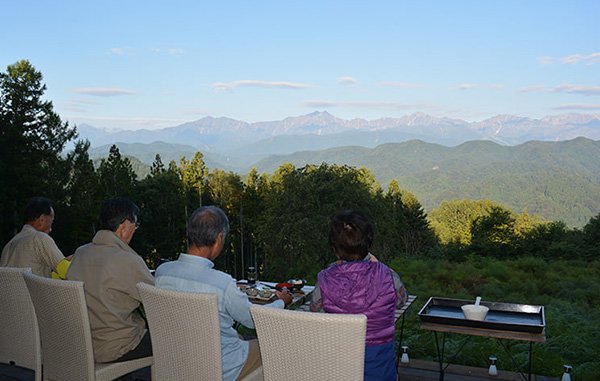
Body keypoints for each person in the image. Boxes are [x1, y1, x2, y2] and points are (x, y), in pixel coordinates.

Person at [155, 205, 293, 381]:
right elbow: (253, 320)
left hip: (176, 360)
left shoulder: (163, 273)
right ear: (219, 238)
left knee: (238, 336)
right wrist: (282, 301)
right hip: (222, 367)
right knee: (278, 347)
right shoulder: (222, 283)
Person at [310, 209, 408, 381]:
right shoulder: (387, 276)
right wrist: (378, 265)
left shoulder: (324, 280)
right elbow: (402, 300)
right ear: (368, 243)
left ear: (336, 250)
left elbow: (315, 311)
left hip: (338, 369)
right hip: (380, 371)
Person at [67, 197, 154, 363]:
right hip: (114, 347)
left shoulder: (80, 253)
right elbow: (157, 303)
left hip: (82, 344)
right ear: (125, 225)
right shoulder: (128, 260)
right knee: (173, 340)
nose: (135, 229)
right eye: (135, 224)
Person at [1, 197, 66, 277]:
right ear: (42, 219)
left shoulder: (8, 246)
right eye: (51, 222)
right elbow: (66, 272)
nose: (51, 229)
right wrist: (77, 259)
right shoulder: (40, 238)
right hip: (34, 290)